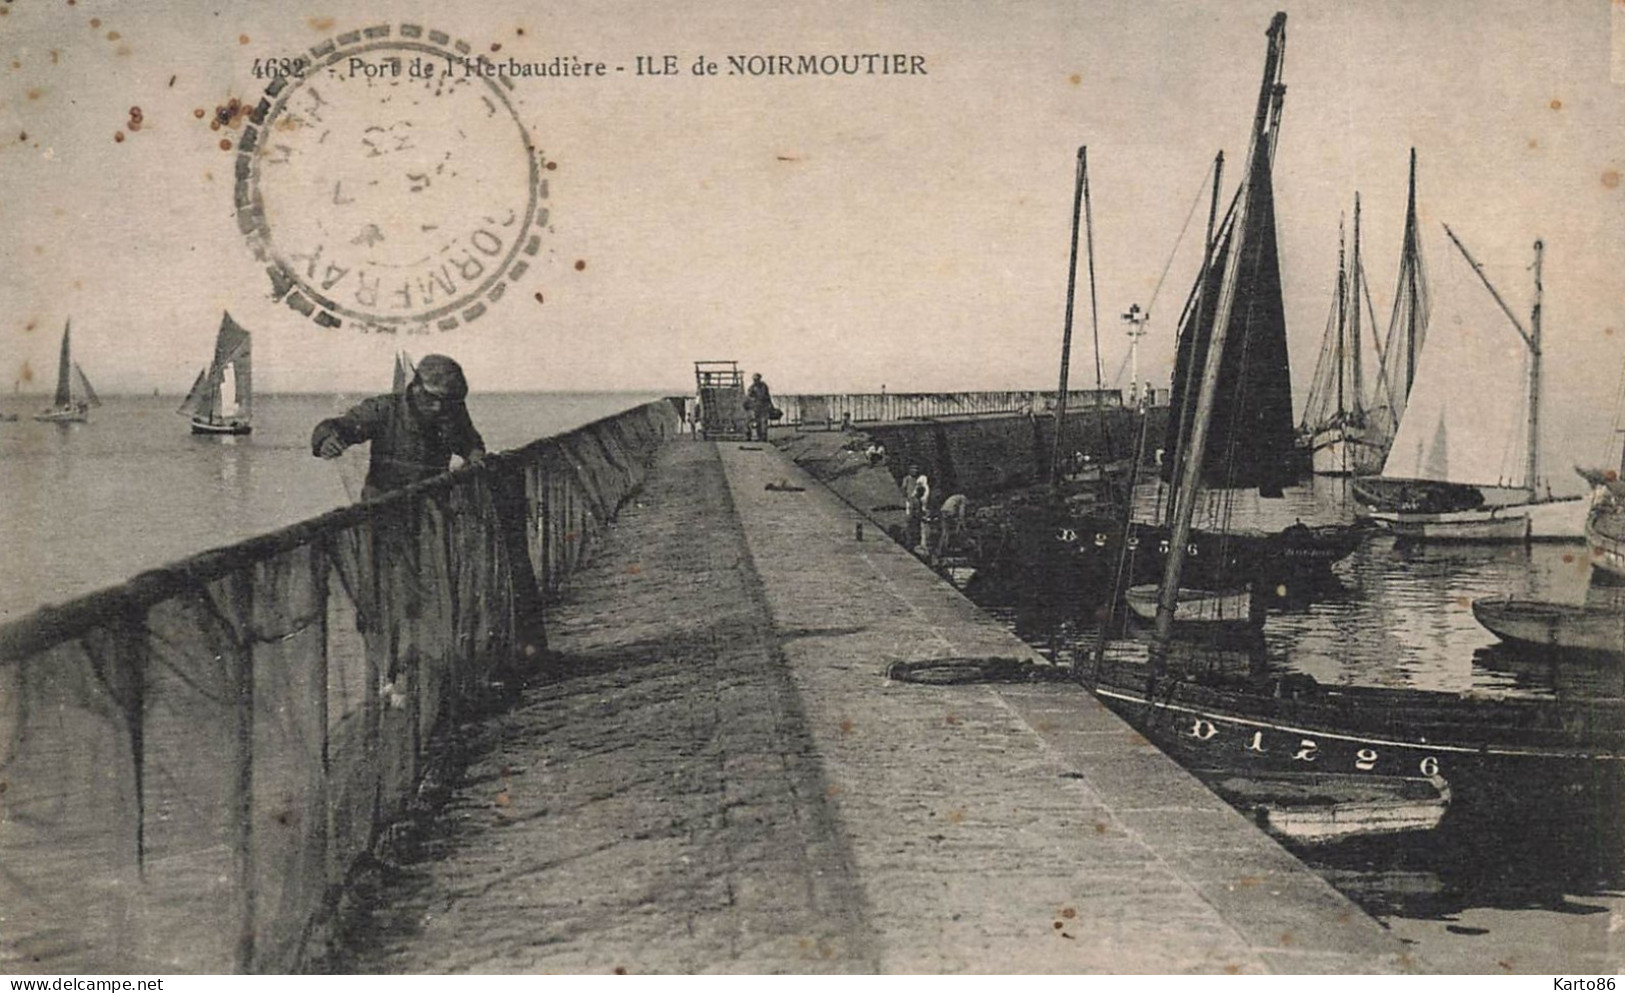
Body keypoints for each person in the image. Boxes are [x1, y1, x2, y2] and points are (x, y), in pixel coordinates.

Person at [312, 353, 486, 500]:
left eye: (447, 402)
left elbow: (470, 443)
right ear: (416, 388)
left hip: (431, 505)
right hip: (382, 505)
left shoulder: (452, 413)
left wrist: (475, 456)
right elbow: (341, 426)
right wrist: (327, 440)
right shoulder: (384, 409)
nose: (439, 407)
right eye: (433, 399)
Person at [744, 372, 773, 442]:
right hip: (756, 407)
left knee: (763, 422)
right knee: (757, 422)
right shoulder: (752, 387)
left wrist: (771, 405)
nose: (756, 381)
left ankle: (763, 437)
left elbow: (767, 396)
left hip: (763, 407)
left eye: (757, 379)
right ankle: (759, 436)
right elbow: (749, 396)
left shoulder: (763, 386)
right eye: (754, 379)